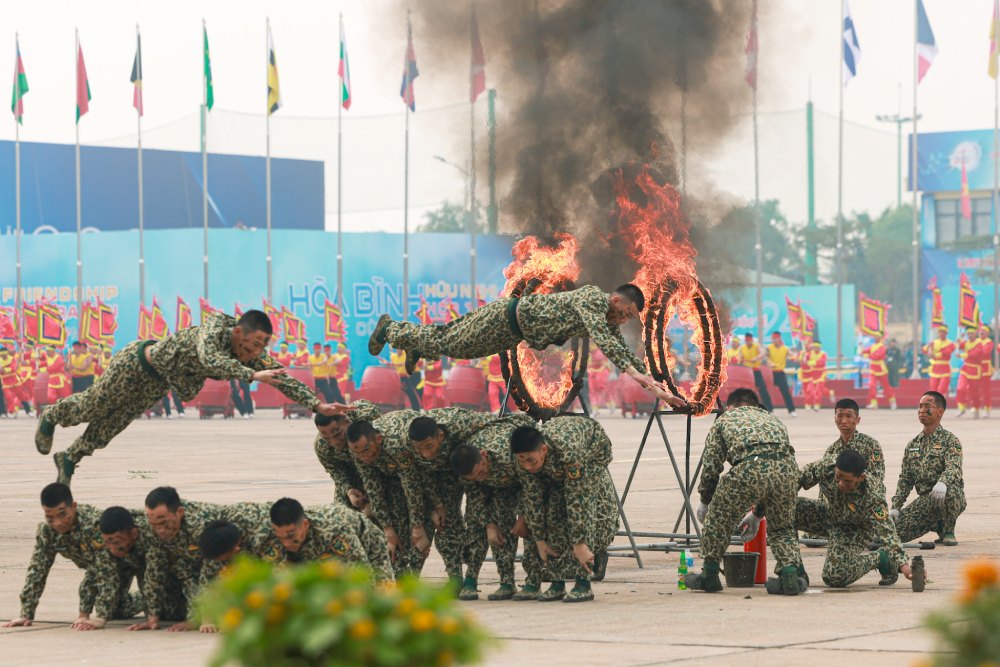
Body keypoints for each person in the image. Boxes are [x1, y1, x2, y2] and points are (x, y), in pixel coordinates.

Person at [36, 310, 346, 486]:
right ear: (238, 332)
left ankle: (70, 458)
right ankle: (52, 415)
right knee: (94, 406)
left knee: (111, 425)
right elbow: (210, 359)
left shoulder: (248, 353)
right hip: (137, 363)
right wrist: (250, 374)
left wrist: (317, 405)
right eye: (251, 345)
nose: (253, 354)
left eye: (258, 350)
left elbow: (281, 377)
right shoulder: (212, 330)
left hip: (157, 383)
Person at [369, 283, 687, 408]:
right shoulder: (594, 299)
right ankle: (392, 330)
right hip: (506, 319)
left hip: (511, 331)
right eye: (627, 313)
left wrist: (657, 385)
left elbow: (620, 348)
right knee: (450, 341)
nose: (625, 319)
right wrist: (638, 375)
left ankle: (415, 344)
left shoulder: (606, 317)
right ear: (616, 300)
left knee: (451, 341)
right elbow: (605, 341)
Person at [684, 388, 803, 595]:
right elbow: (773, 467)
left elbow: (712, 466)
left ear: (729, 407)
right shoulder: (772, 419)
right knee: (782, 528)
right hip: (788, 471)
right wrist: (758, 514)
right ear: (756, 405)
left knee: (718, 519)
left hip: (749, 468)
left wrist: (705, 500)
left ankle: (709, 575)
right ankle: (790, 576)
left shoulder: (725, 419)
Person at [407, 410, 523, 599]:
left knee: (503, 521)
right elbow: (473, 497)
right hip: (462, 467)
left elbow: (528, 484)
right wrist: (439, 505)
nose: (425, 454)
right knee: (473, 520)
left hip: (500, 470)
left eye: (429, 446)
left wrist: (522, 516)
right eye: (421, 449)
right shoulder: (416, 447)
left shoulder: (463, 428)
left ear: (441, 437)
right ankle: (467, 579)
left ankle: (507, 582)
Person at [1, 483, 143, 630]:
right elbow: (37, 570)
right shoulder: (47, 531)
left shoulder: (93, 525)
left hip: (128, 558)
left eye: (63, 514)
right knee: (118, 609)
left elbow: (106, 571)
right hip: (101, 567)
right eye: (50, 517)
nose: (58, 523)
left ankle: (161, 594)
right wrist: (26, 613)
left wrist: (97, 616)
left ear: (73, 506)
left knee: (153, 606)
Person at [510, 416, 618, 603]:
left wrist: (579, 545)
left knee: (584, 507)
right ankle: (557, 581)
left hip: (593, 452)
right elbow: (532, 499)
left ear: (543, 450)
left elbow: (577, 502)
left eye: (531, 461)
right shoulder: (523, 461)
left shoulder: (569, 453)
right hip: (557, 461)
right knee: (551, 509)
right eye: (522, 461)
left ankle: (583, 583)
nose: (527, 466)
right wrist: (540, 540)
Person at [127, 487, 266, 633]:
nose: (160, 530)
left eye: (164, 523)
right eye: (154, 525)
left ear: (180, 513)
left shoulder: (200, 526)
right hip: (187, 566)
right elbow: (154, 570)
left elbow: (211, 572)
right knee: (170, 611)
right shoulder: (152, 528)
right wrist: (152, 616)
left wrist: (201, 618)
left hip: (228, 554)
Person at [794, 451, 921, 589]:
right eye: (838, 477)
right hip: (827, 514)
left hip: (854, 530)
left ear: (861, 477)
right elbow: (798, 479)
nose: (841, 484)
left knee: (834, 576)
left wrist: (904, 566)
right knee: (786, 507)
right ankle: (793, 568)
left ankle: (881, 558)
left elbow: (887, 531)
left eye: (848, 481)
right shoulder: (827, 466)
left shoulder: (872, 495)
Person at [449, 416, 544, 601]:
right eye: (474, 477)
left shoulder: (510, 455)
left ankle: (533, 582)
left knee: (532, 523)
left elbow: (533, 487)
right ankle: (503, 582)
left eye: (481, 472)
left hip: (523, 481)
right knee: (483, 521)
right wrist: (489, 525)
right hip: (500, 485)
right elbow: (476, 499)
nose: (479, 478)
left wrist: (524, 517)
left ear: (484, 455)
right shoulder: (465, 468)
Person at [346, 418, 435, 578]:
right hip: (392, 474)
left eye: (366, 450)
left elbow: (412, 487)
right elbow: (374, 490)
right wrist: (388, 531)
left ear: (378, 440)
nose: (363, 457)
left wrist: (417, 527)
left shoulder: (396, 446)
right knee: (393, 525)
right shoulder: (358, 451)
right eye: (357, 453)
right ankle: (398, 574)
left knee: (422, 530)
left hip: (426, 470)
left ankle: (413, 576)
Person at [891, 391, 966, 546]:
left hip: (948, 496)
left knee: (950, 490)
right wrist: (895, 507)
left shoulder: (950, 441)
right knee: (890, 534)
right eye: (919, 406)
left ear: (940, 411)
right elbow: (905, 478)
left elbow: (954, 467)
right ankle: (937, 524)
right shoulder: (913, 445)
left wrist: (943, 483)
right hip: (925, 502)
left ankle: (948, 530)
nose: (922, 410)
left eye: (927, 406)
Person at [266, 498, 393, 581]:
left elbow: (362, 574)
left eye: (291, 536)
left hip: (368, 543)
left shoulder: (333, 532)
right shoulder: (268, 533)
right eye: (281, 537)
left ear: (305, 525)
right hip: (317, 549)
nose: (286, 543)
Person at [313, 402, 381, 512]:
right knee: (343, 516)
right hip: (353, 477)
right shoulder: (321, 445)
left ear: (346, 422)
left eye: (337, 434)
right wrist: (349, 491)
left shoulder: (368, 418)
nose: (334, 443)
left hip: (380, 471)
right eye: (327, 438)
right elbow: (336, 472)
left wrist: (373, 500)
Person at [739, 333, 774, 412]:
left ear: (751, 340)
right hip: (747, 372)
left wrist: (756, 358)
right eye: (746, 340)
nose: (748, 342)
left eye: (749, 340)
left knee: (762, 389)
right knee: (746, 390)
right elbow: (740, 357)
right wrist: (739, 359)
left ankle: (769, 408)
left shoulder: (757, 346)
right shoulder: (742, 348)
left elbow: (763, 353)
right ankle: (746, 408)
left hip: (756, 371)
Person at [955, 328, 985, 419]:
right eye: (968, 333)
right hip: (965, 368)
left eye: (972, 333)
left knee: (974, 391)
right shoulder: (966, 342)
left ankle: (976, 409)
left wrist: (962, 355)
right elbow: (959, 346)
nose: (970, 335)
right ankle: (961, 408)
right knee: (960, 387)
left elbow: (974, 354)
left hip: (975, 370)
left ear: (975, 334)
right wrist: (959, 340)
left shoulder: (979, 344)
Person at [863, 333, 896, 410]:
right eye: (874, 336)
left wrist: (868, 355)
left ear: (880, 338)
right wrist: (861, 350)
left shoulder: (882, 347)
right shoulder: (872, 346)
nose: (875, 338)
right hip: (873, 369)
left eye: (877, 336)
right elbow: (865, 351)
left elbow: (876, 356)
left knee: (886, 387)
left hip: (881, 369)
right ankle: (874, 403)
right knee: (871, 385)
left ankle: (892, 401)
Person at [766, 332, 796, 417]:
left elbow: (792, 355)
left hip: (780, 373)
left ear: (779, 339)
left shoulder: (785, 349)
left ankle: (791, 410)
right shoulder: (769, 348)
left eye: (775, 339)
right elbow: (767, 358)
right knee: (767, 392)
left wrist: (794, 357)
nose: (773, 340)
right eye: (773, 339)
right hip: (771, 373)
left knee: (785, 392)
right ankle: (769, 410)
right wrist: (770, 363)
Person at [923, 325, 955, 394]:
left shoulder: (950, 343)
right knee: (933, 389)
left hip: (945, 369)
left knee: (941, 389)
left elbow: (947, 352)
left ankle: (940, 403)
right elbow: (924, 350)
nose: (942, 333)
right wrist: (928, 346)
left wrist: (935, 355)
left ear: (946, 333)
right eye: (940, 332)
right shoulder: (934, 342)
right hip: (935, 369)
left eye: (944, 332)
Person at [977, 326, 996, 418]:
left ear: (987, 333)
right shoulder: (976, 341)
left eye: (984, 330)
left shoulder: (989, 342)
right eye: (980, 330)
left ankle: (987, 409)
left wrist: (974, 351)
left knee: (985, 390)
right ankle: (975, 407)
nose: (982, 332)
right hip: (976, 368)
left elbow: (984, 352)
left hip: (985, 369)